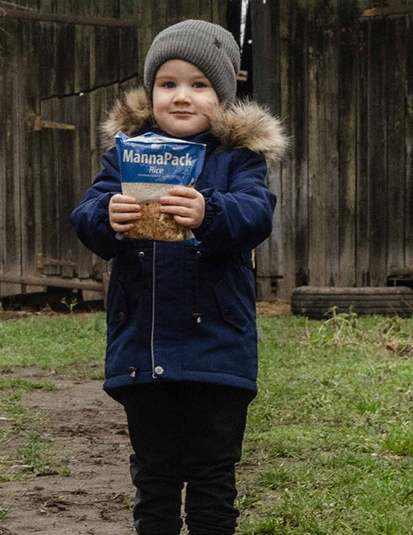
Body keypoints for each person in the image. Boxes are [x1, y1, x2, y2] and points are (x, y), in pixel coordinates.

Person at [70, 19, 288, 535]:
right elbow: (87, 215)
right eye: (168, 84)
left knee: (213, 477)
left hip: (217, 347)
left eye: (199, 84)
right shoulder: (129, 154)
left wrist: (208, 211)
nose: (182, 96)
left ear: (224, 94)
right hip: (142, 347)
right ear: (151, 92)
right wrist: (108, 217)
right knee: (155, 476)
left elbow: (255, 217)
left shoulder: (238, 160)